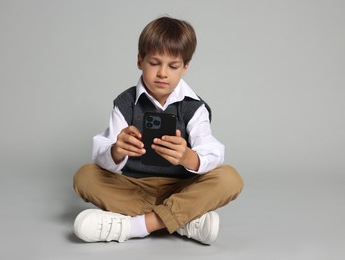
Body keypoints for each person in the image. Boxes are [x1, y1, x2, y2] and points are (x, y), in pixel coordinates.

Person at [73, 16, 243, 245]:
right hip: (134, 188)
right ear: (139, 60)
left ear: (184, 67)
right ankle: (183, 220)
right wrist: (117, 150)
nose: (163, 73)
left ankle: (136, 226)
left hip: (180, 188)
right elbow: (101, 156)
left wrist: (186, 156)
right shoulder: (125, 103)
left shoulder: (194, 107)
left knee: (229, 178)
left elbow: (213, 153)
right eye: (154, 63)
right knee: (85, 176)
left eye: (173, 66)